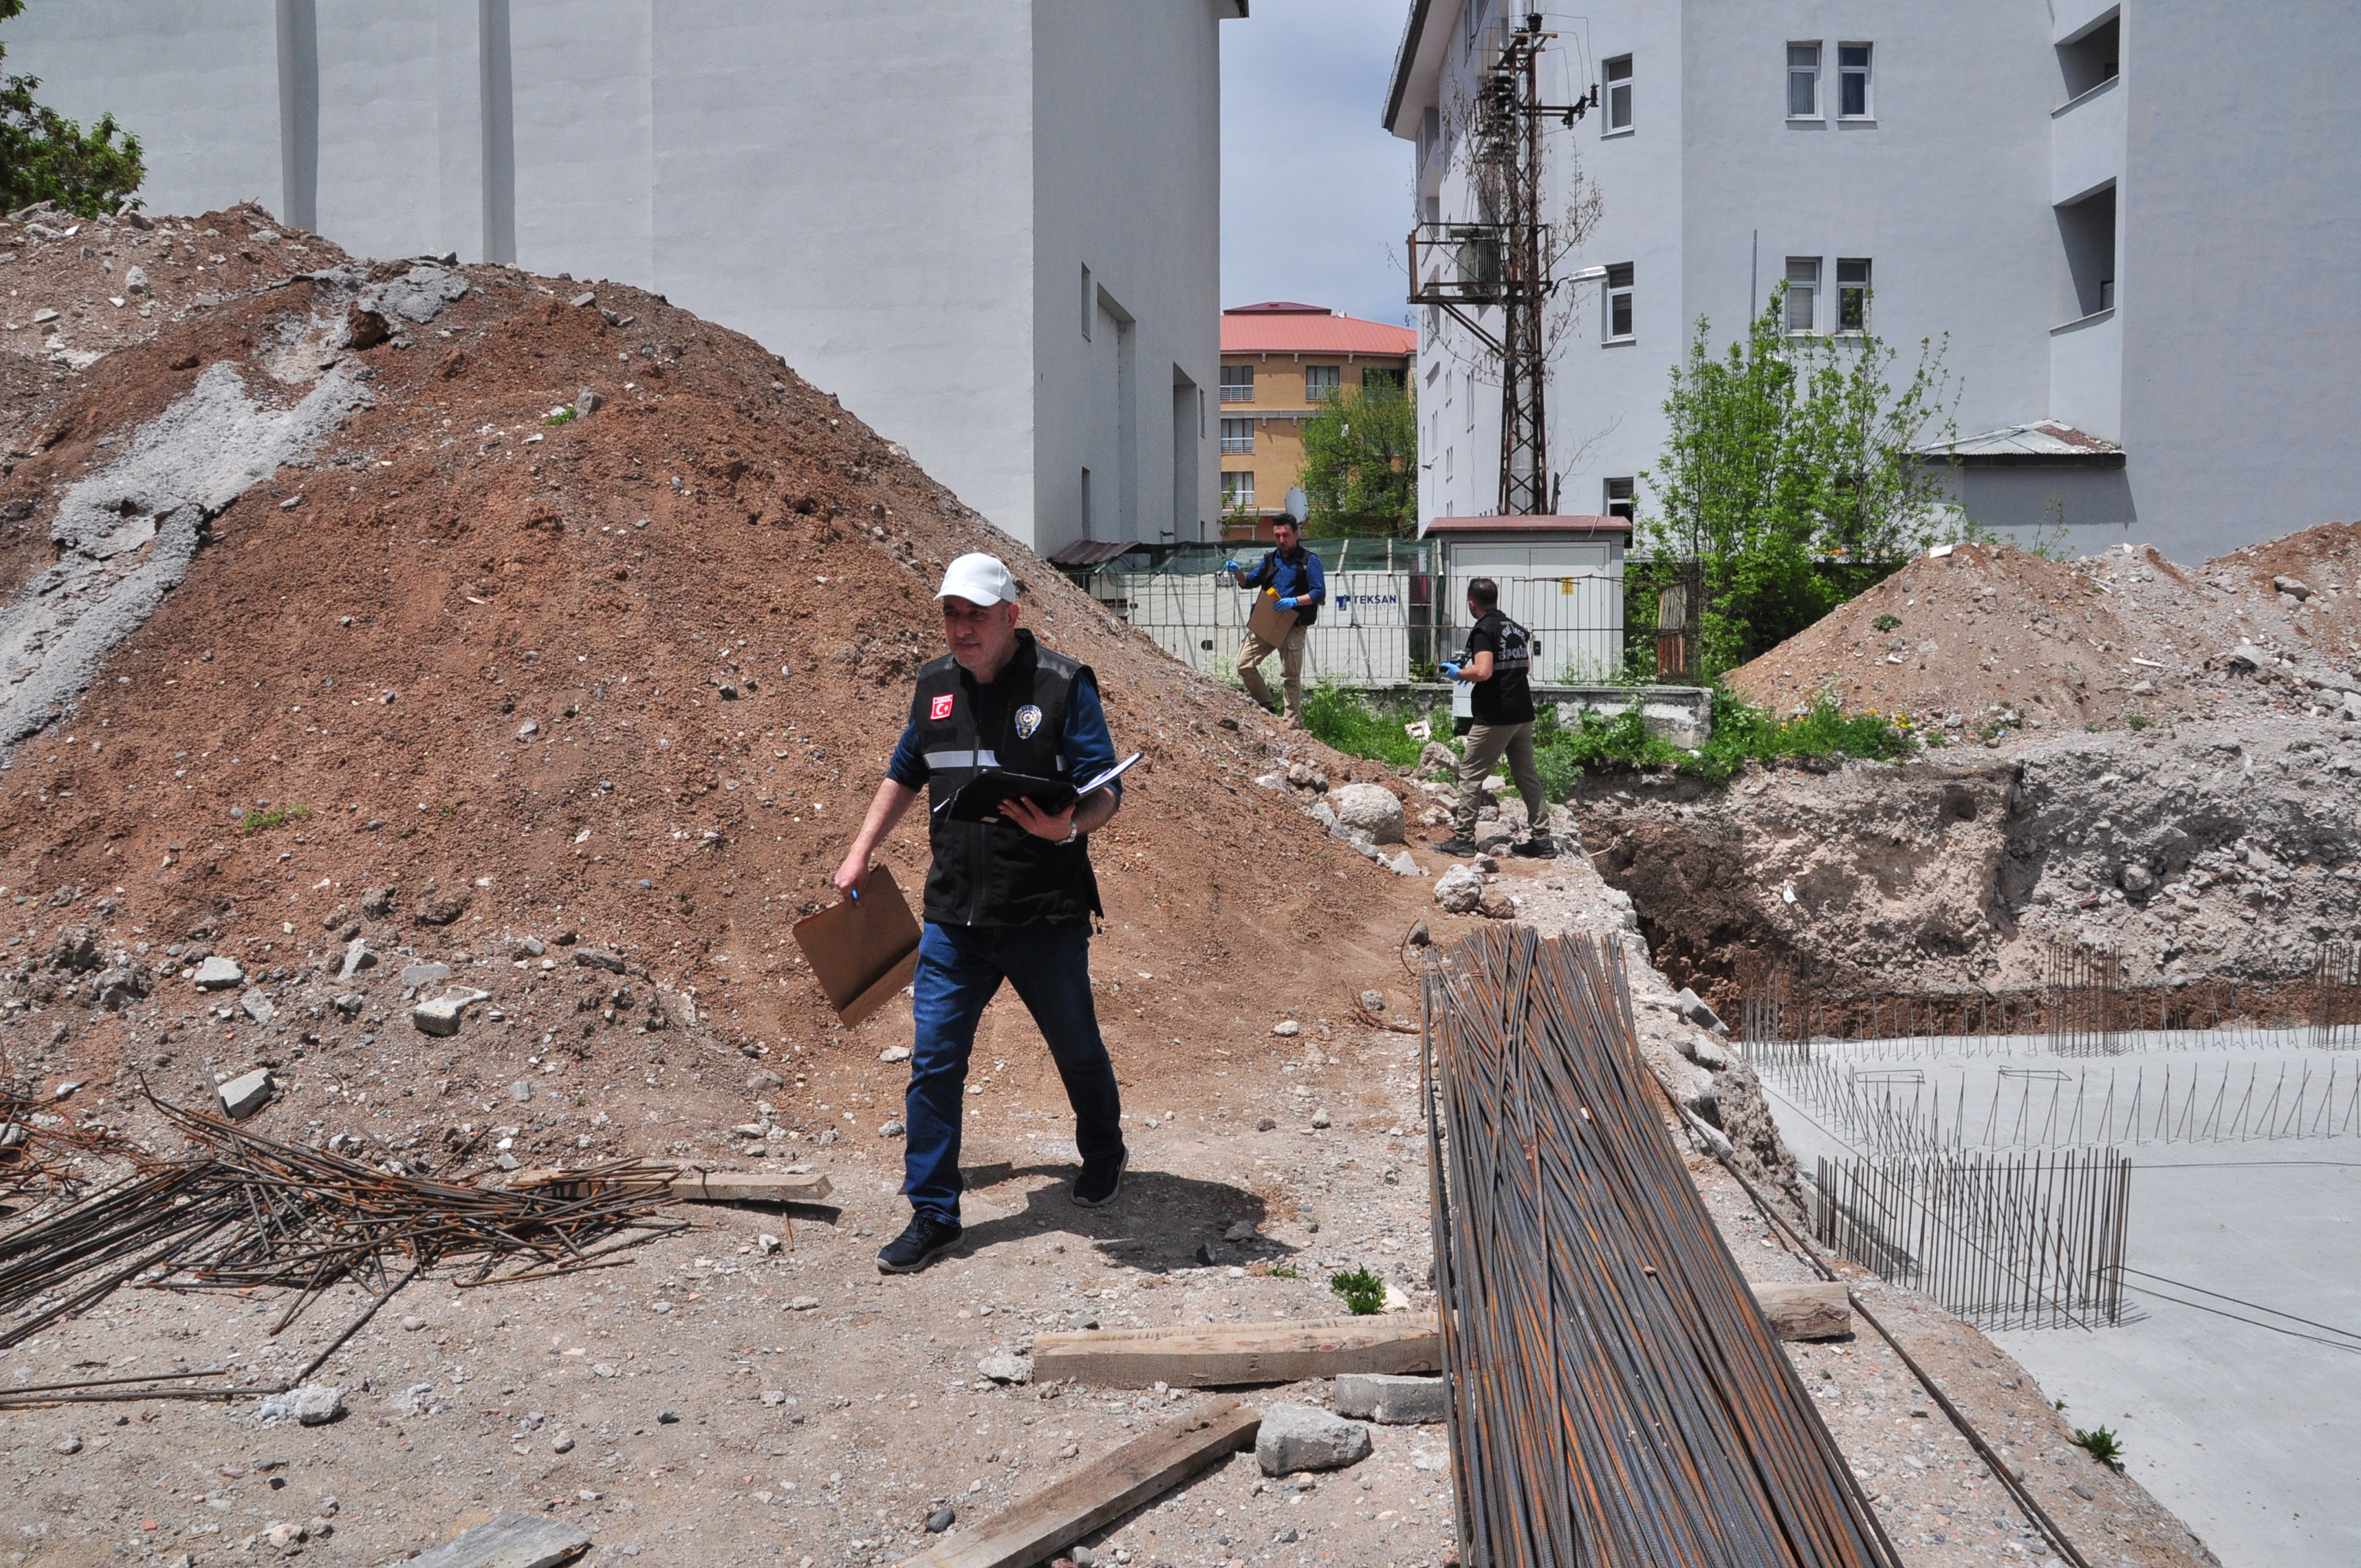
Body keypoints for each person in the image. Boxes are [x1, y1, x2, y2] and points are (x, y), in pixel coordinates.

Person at [833, 552, 1129, 1274]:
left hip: (1043, 913)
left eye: (974, 615)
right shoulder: (935, 687)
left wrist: (1063, 828)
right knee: (933, 1062)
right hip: (954, 917)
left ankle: (1104, 1149)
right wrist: (861, 850)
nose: (961, 629)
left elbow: (1107, 790)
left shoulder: (1062, 686)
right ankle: (934, 1211)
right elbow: (905, 771)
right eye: (950, 614)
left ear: (1009, 617)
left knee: (1076, 1048)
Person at [1435, 577, 1554, 859]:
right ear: (1495, 599)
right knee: (1527, 777)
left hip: (1496, 715)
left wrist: (1459, 673)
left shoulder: (1483, 629)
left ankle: (1463, 839)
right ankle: (1543, 840)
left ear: (1471, 602)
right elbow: (1524, 667)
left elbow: (1484, 671)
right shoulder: (1513, 627)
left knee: (1470, 774)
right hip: (1522, 713)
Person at [1225, 518, 1325, 727]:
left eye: (1285, 535)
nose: (1281, 539)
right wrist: (1237, 573)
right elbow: (1249, 582)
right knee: (1244, 664)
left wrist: (1294, 601)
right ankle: (1266, 705)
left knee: (1291, 676)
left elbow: (1318, 592)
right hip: (1268, 621)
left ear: (1296, 534)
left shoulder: (1309, 560)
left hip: (1293, 623)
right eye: (1277, 535)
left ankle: (1292, 721)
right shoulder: (1270, 559)